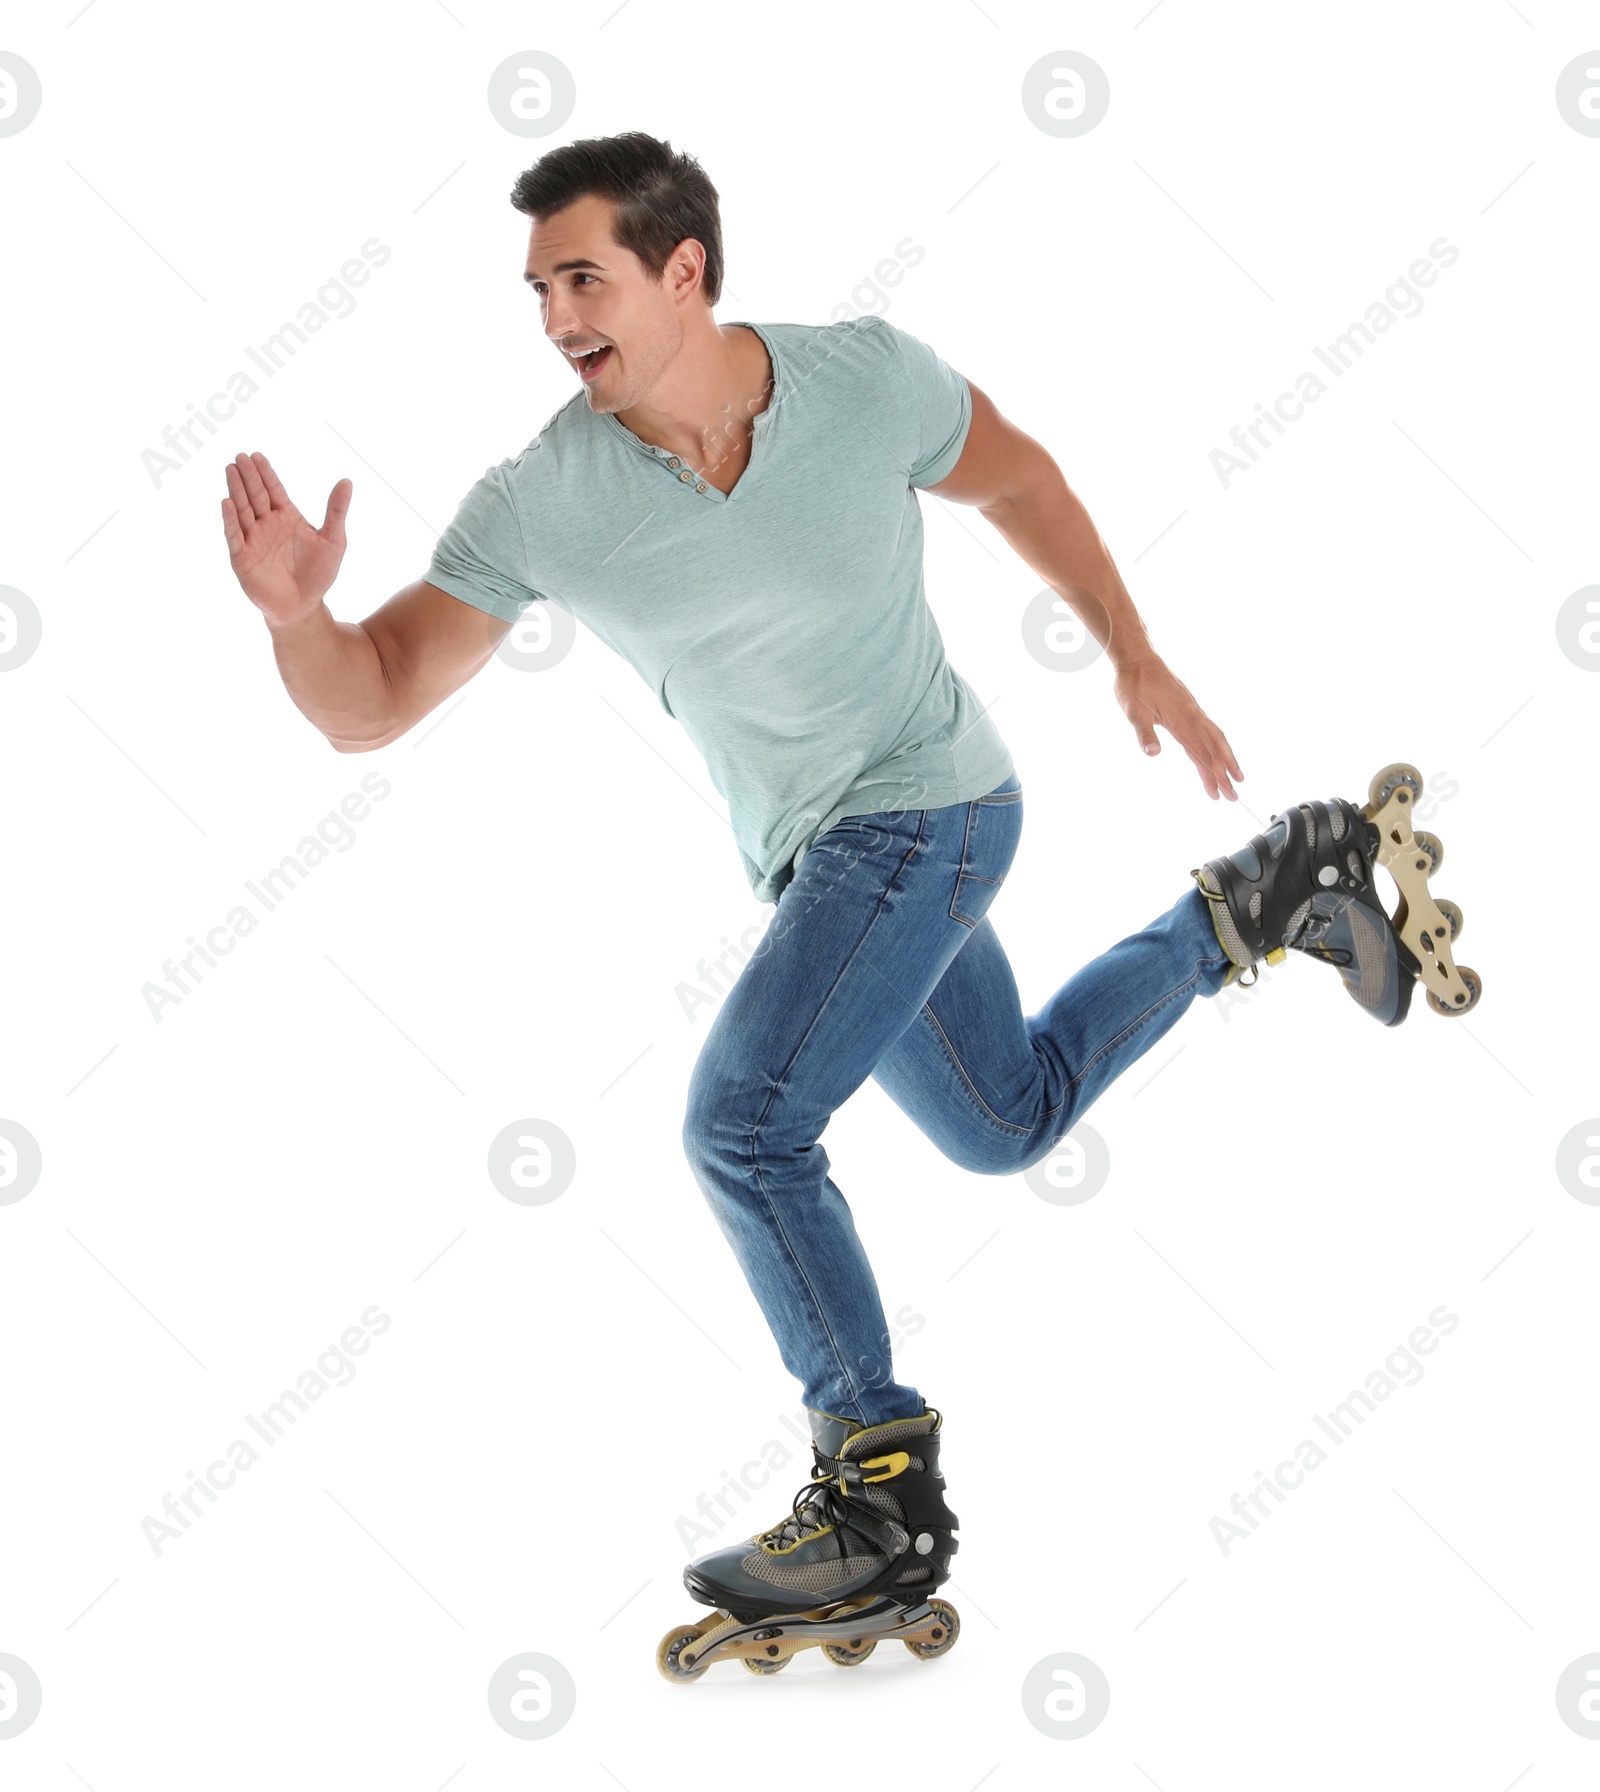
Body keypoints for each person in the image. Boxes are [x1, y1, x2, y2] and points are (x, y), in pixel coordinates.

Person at [221, 131, 1475, 1681]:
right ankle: (1271, 891)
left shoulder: (861, 381)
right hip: (830, 858)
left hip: (936, 806)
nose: (557, 317)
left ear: (684, 271)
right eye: (541, 289)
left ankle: (876, 1480)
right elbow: (374, 698)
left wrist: (1130, 646)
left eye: (584, 277)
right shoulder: (547, 494)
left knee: (742, 1123)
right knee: (1003, 1118)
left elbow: (1016, 474)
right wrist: (298, 619)